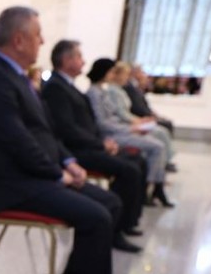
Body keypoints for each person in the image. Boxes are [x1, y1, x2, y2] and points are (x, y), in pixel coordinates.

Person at [0, 6, 134, 274]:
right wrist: (57, 174)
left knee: (110, 203)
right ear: (19, 40)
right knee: (97, 216)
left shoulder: (13, 76)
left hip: (33, 174)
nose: (42, 42)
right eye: (38, 35)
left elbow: (44, 131)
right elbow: (17, 141)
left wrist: (68, 161)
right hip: (13, 183)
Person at [42, 39, 146, 249]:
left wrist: (104, 142)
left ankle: (126, 222)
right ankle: (116, 230)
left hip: (88, 145)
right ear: (66, 60)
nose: (83, 61)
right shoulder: (55, 87)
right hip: (76, 150)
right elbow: (67, 129)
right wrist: (100, 145)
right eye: (79, 56)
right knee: (129, 170)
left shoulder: (67, 85)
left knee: (137, 159)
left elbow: (87, 124)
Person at [86, 58, 173, 207]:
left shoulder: (102, 91)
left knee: (157, 140)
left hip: (119, 129)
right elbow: (103, 123)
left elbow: (116, 116)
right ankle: (150, 188)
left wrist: (136, 124)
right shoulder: (95, 93)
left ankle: (155, 186)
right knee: (156, 146)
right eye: (112, 71)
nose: (113, 75)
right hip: (112, 134)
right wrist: (131, 128)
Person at [109, 61, 176, 172]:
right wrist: (138, 120)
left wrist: (142, 119)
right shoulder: (113, 91)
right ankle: (157, 170)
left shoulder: (121, 90)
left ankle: (163, 162)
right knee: (158, 134)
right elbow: (121, 113)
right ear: (117, 75)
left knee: (161, 131)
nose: (127, 77)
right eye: (125, 74)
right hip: (125, 125)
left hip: (131, 122)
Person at [125, 64, 175, 136]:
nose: (144, 75)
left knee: (166, 122)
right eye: (141, 72)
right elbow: (138, 107)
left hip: (145, 114)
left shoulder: (136, 88)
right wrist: (149, 115)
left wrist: (152, 113)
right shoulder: (131, 88)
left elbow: (143, 105)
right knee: (166, 124)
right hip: (141, 117)